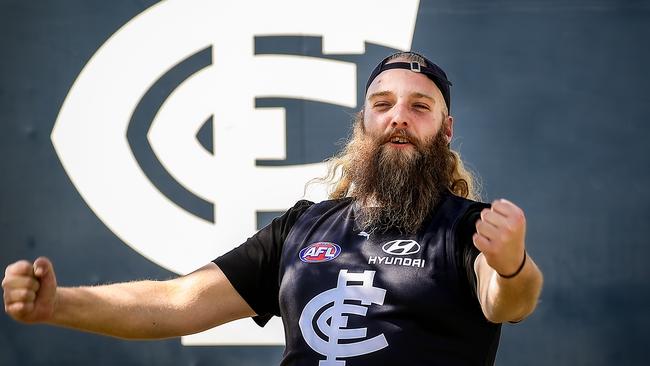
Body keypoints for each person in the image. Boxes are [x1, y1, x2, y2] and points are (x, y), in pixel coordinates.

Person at [2, 51, 543, 365]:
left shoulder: (469, 227)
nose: (398, 117)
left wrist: (513, 264)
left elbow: (507, 302)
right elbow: (176, 301)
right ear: (363, 123)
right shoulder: (303, 227)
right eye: (382, 105)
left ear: (445, 130)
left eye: (419, 107)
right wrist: (58, 305)